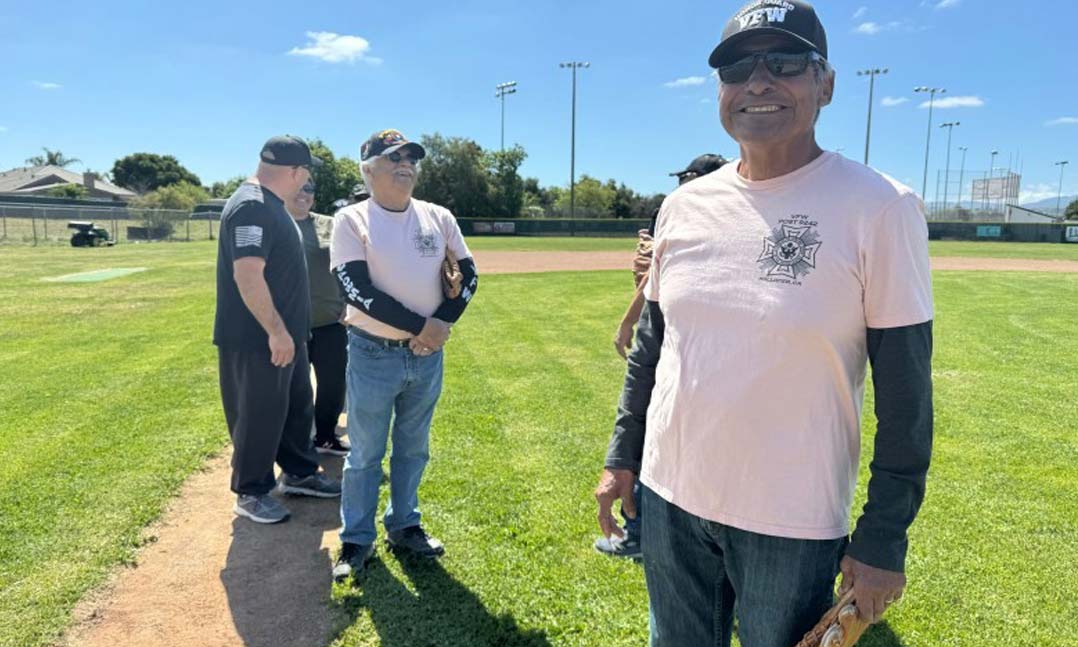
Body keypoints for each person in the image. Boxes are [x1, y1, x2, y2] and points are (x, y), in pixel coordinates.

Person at [595, 2, 935, 645]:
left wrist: (884, 537)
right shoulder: (684, 205)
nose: (757, 82)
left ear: (826, 84)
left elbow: (908, 398)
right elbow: (653, 348)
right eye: (737, 68)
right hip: (670, 498)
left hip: (792, 521)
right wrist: (623, 457)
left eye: (785, 63)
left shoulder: (881, 208)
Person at [329, 129, 478, 581]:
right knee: (366, 454)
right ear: (369, 170)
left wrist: (439, 328)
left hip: (427, 356)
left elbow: (469, 276)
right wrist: (424, 327)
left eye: (411, 157)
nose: (405, 164)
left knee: (414, 448)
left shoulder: (438, 216)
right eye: (394, 158)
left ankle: (404, 524)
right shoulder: (352, 220)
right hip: (374, 352)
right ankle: (356, 539)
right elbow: (355, 289)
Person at [598, 153, 728, 561]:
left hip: (689, 354)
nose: (682, 184)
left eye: (688, 177)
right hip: (679, 346)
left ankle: (638, 532)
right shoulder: (680, 213)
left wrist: (627, 319)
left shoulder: (719, 216)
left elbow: (656, 277)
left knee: (664, 427)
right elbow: (654, 279)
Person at [214, 135, 342, 525]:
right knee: (259, 412)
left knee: (293, 406)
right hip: (258, 339)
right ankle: (251, 491)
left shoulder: (270, 206)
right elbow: (247, 274)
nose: (304, 181)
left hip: (287, 335)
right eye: (304, 173)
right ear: (295, 171)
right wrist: (275, 331)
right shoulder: (252, 206)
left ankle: (300, 472)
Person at [285, 180, 350, 456]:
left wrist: (349, 303)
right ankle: (296, 444)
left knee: (333, 384)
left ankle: (325, 435)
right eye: (298, 188)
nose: (303, 194)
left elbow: (350, 263)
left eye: (309, 190)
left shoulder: (330, 224)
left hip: (330, 321)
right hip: (289, 326)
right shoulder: (276, 224)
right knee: (293, 389)